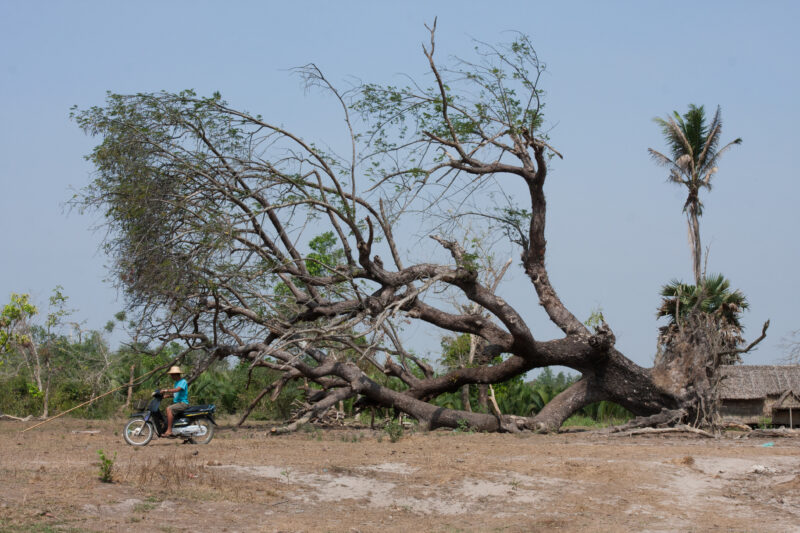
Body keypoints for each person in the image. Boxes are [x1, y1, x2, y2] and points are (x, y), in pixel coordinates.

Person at [160, 366, 189, 438]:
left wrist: (166, 390)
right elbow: (175, 394)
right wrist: (165, 396)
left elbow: (177, 390)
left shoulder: (183, 381)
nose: (171, 376)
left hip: (183, 403)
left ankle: (169, 430)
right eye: (171, 375)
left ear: (177, 374)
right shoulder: (176, 382)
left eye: (172, 374)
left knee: (169, 409)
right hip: (178, 403)